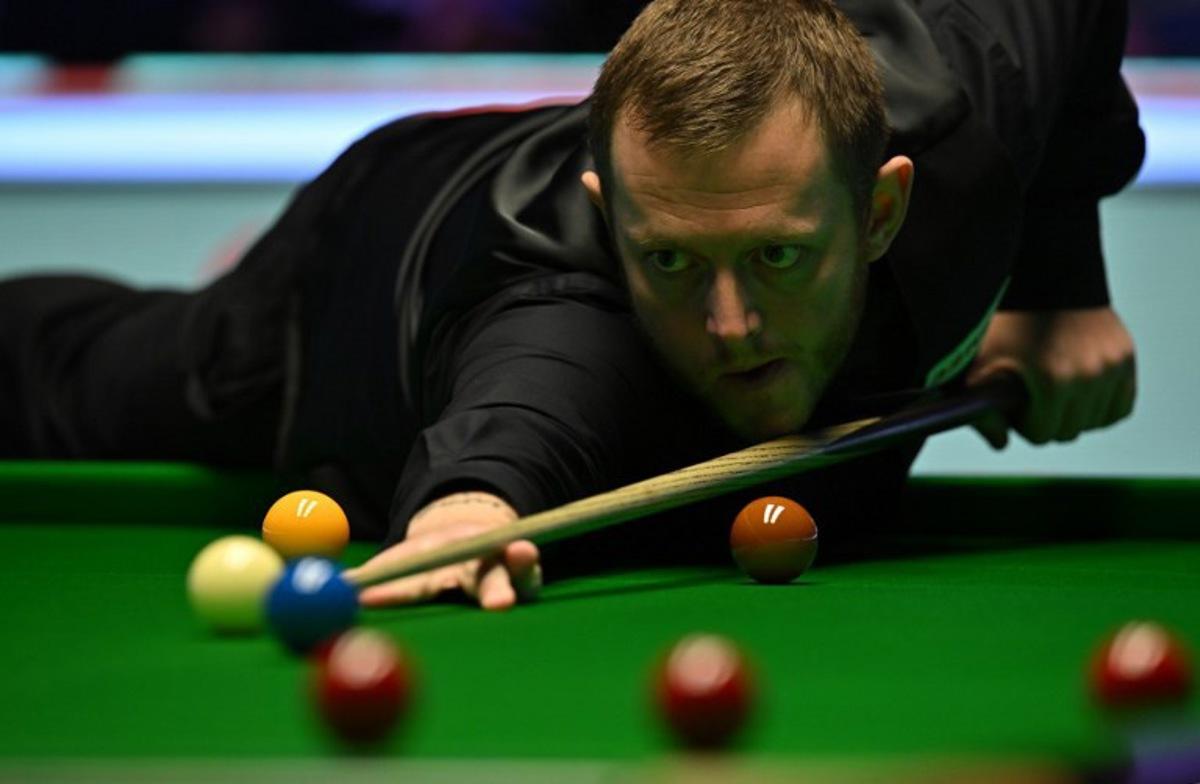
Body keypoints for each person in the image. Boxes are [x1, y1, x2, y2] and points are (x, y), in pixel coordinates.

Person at [0, 0, 1143, 610]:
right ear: (613, 220)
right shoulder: (561, 306)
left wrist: (1063, 289)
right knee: (88, 377)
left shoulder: (962, 102)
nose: (732, 322)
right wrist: (466, 506)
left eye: (783, 260)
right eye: (677, 267)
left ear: (884, 208)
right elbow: (519, 417)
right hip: (366, 261)